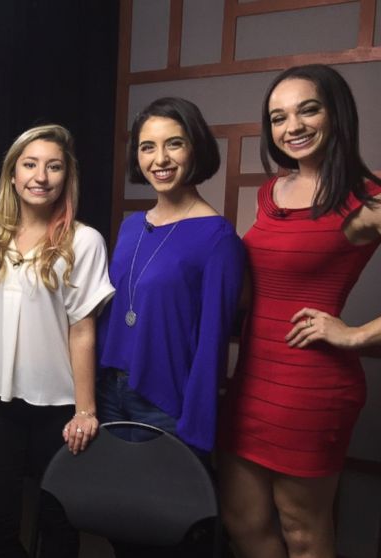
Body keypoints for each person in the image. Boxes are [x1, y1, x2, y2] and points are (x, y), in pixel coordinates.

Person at [219, 64, 381, 558]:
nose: (293, 126)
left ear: (336, 114)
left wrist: (354, 335)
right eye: (278, 116)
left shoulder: (366, 199)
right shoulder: (272, 193)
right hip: (250, 379)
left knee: (304, 531)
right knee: (243, 522)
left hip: (310, 388)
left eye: (308, 109)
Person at [96, 97, 245, 556]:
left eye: (173, 144)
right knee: (121, 525)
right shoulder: (130, 227)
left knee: (165, 535)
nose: (159, 159)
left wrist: (198, 430)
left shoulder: (219, 238)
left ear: (195, 149)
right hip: (110, 394)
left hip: (166, 404)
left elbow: (212, 343)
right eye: (147, 147)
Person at [0, 124, 114, 557]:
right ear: (12, 174)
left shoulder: (83, 242)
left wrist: (85, 410)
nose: (41, 176)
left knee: (58, 525)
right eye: (30, 164)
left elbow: (83, 329)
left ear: (66, 177)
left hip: (59, 409)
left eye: (54, 167)